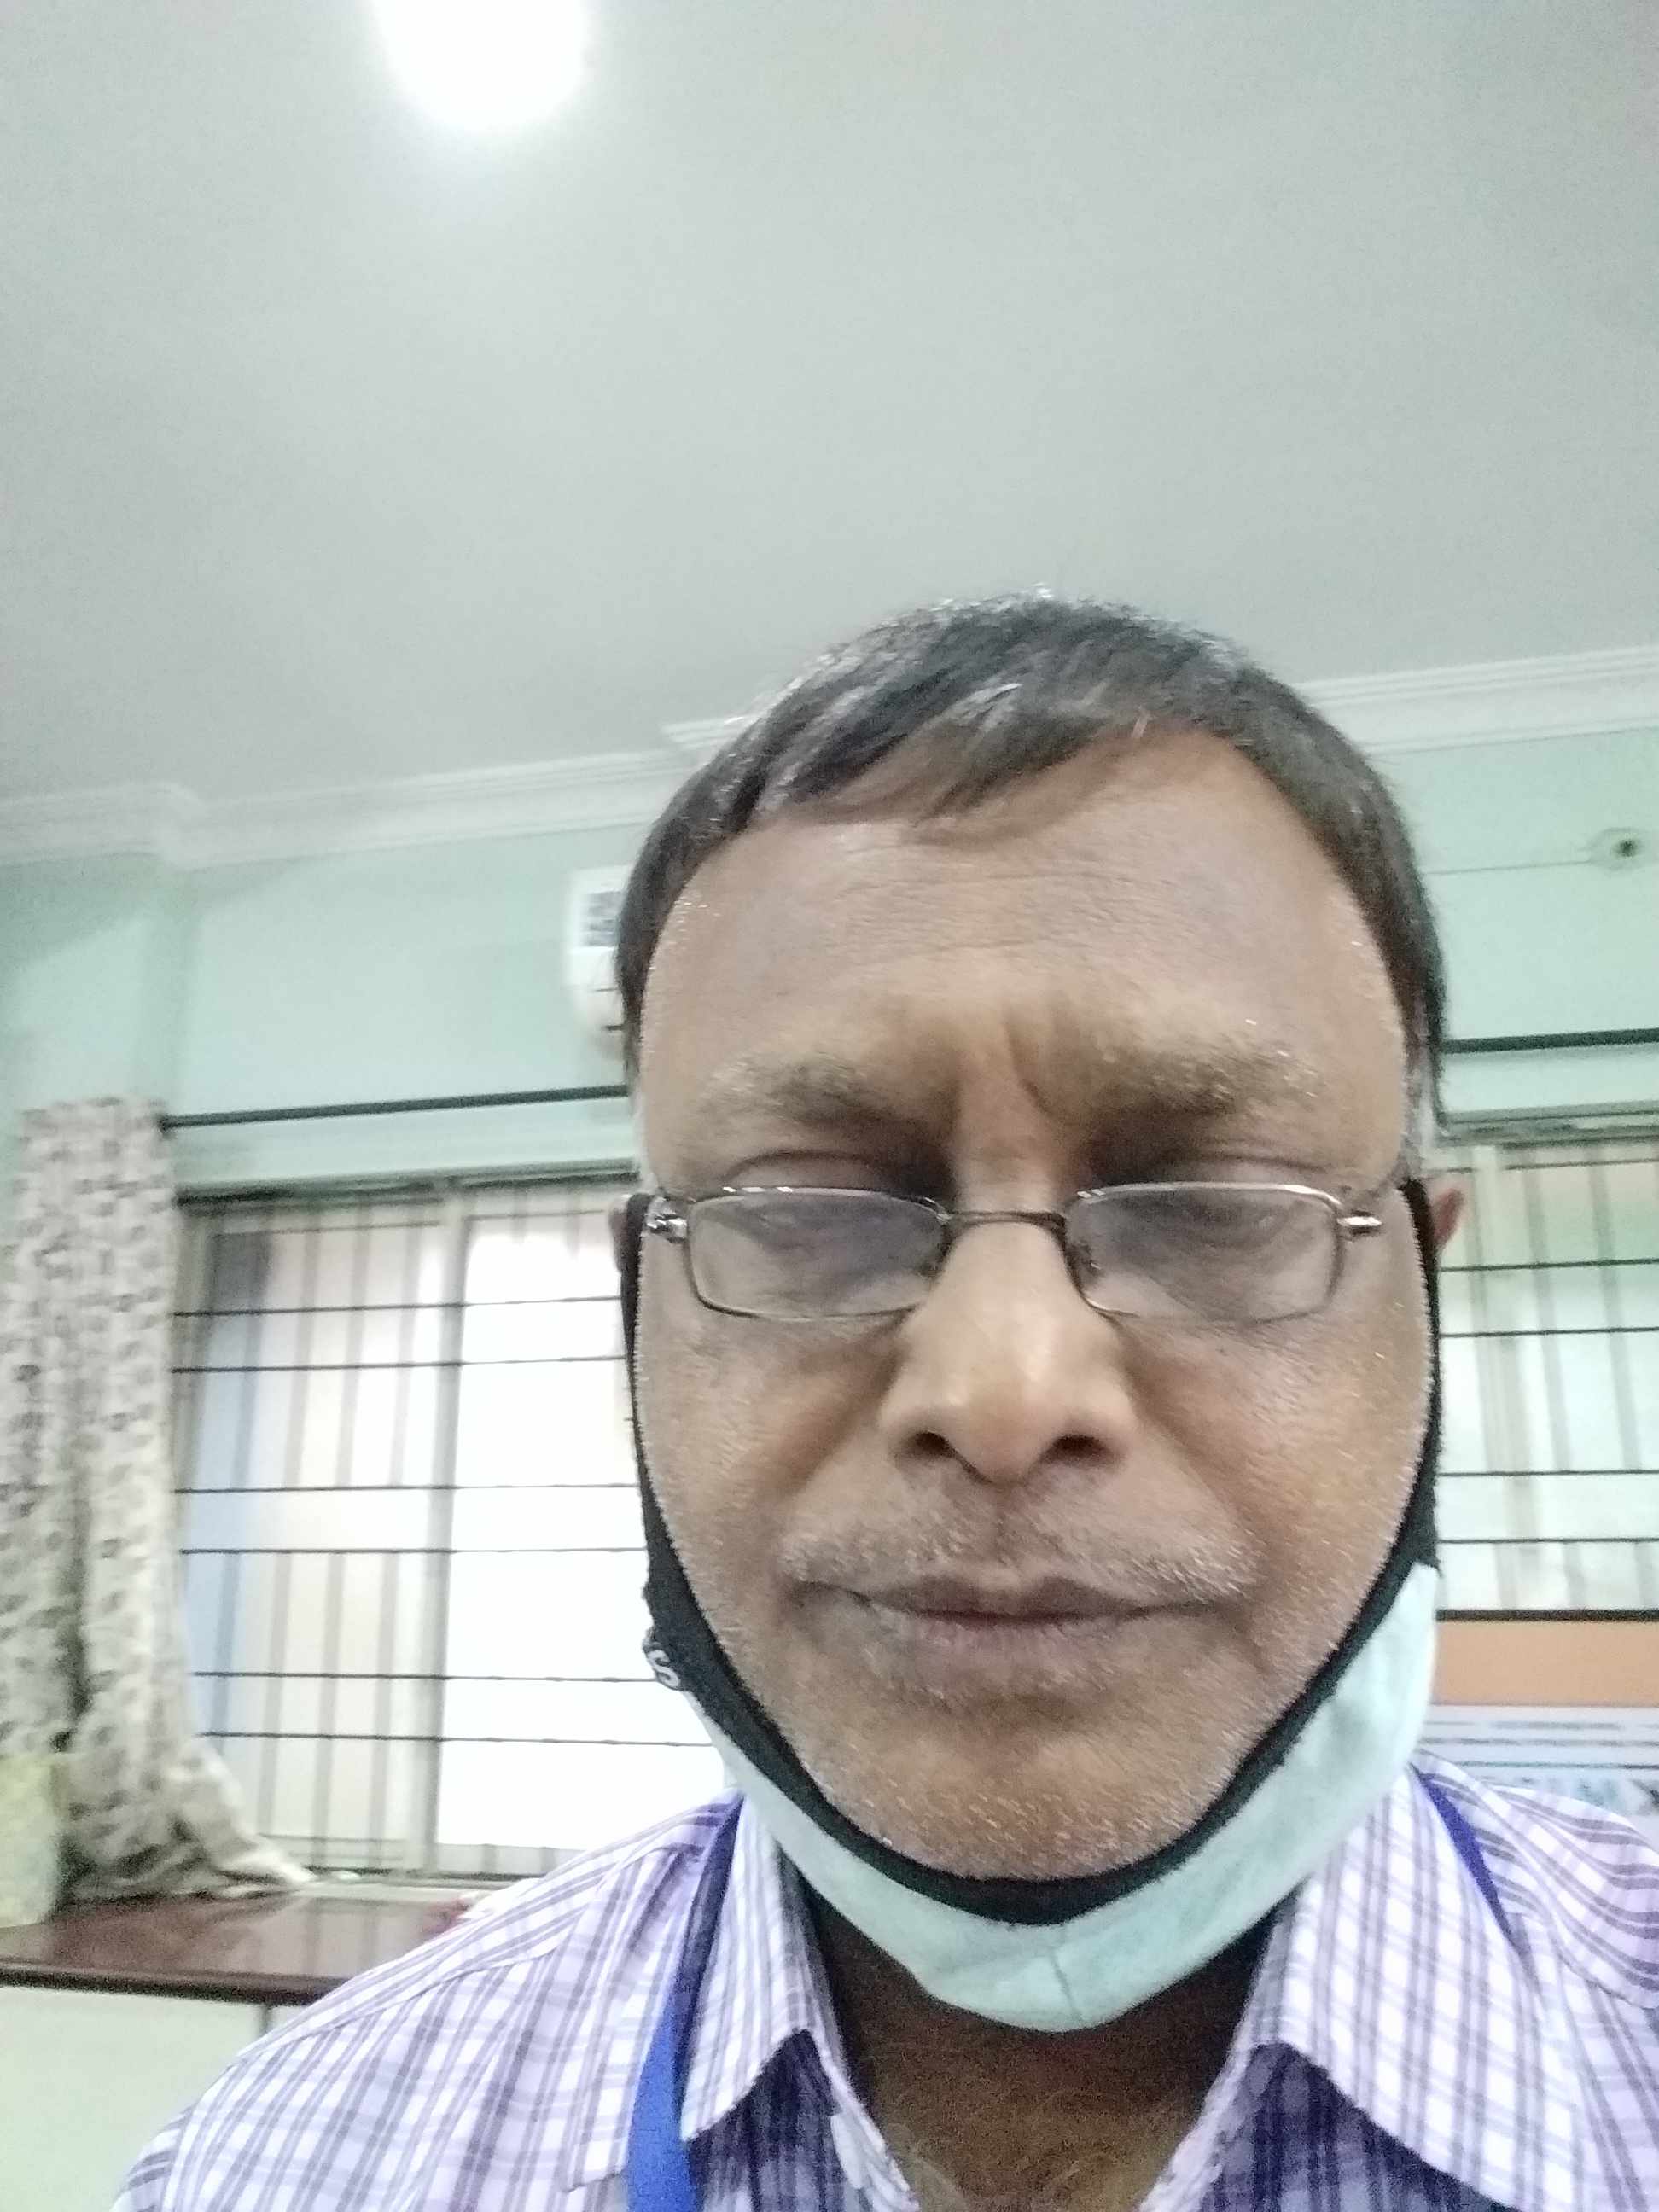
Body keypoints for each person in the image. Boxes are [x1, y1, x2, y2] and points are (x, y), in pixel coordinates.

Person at [119, 598, 1659, 2211]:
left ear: (1423, 1302)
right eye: (804, 1210)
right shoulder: (296, 2156)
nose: (1003, 1393)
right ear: (638, 1313)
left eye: (1214, 1205)